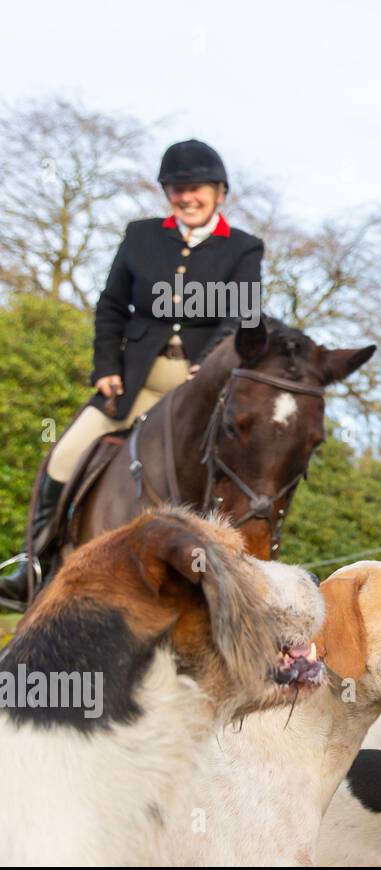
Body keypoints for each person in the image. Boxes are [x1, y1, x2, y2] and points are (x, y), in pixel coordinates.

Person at [0, 139, 264, 604]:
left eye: (195, 188)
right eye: (175, 189)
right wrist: (105, 366)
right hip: (136, 380)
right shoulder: (141, 236)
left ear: (219, 192)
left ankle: (246, 577)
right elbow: (111, 305)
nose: (186, 197)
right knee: (63, 455)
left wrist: (209, 366)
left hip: (201, 388)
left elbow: (240, 315)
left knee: (246, 469)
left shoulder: (243, 248)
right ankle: (35, 563)